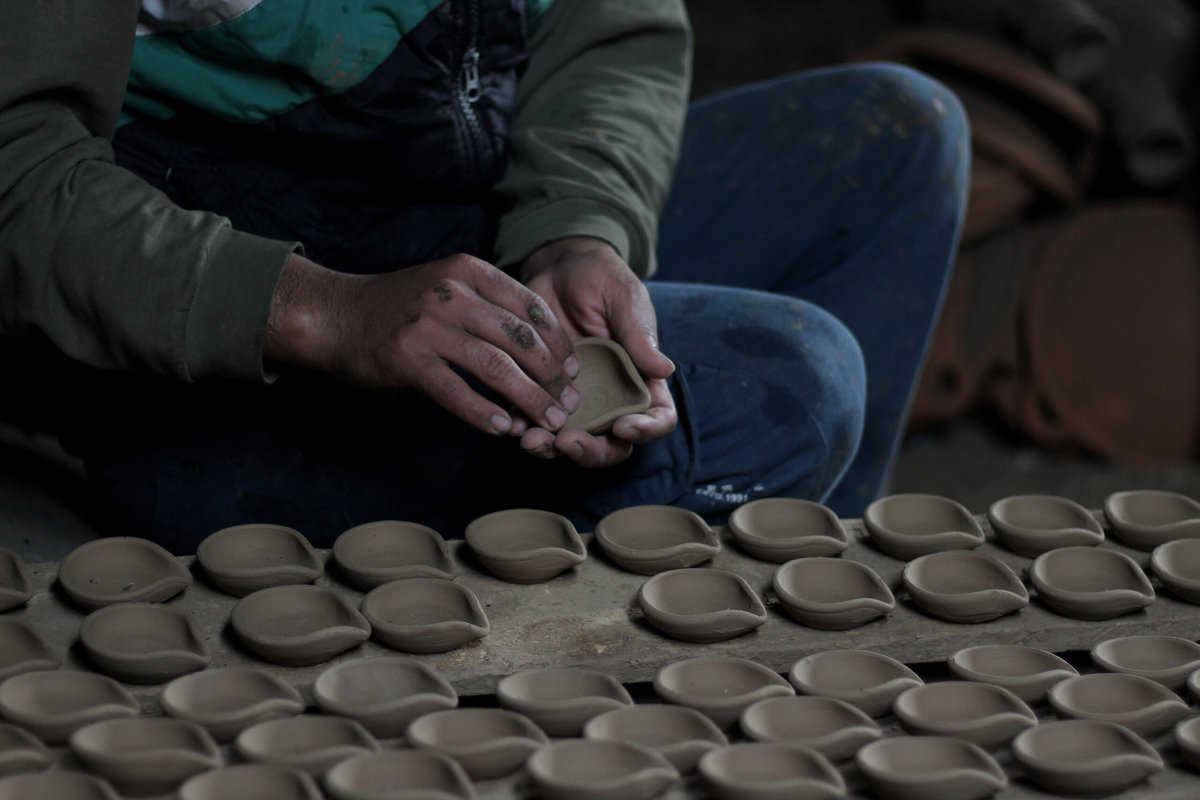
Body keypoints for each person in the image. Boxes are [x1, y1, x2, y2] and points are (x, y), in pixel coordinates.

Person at [0, 1, 968, 552]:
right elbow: (16, 164)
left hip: (444, 210)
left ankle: (808, 646)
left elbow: (608, 27)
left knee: (898, 135)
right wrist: (320, 310)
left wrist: (579, 229)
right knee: (794, 383)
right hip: (218, 343)